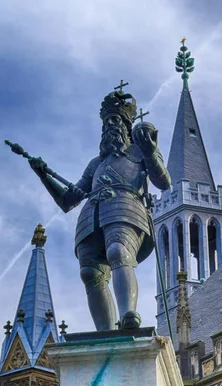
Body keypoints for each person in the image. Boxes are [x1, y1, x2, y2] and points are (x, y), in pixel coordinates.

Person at [29, 90, 171, 330]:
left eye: (115, 120)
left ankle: (128, 315)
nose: (110, 125)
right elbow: (68, 199)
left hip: (125, 208)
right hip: (91, 216)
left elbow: (163, 181)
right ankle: (105, 332)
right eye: (107, 122)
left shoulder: (139, 152)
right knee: (89, 272)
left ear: (127, 125)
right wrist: (42, 174)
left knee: (118, 251)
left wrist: (149, 151)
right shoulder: (95, 164)